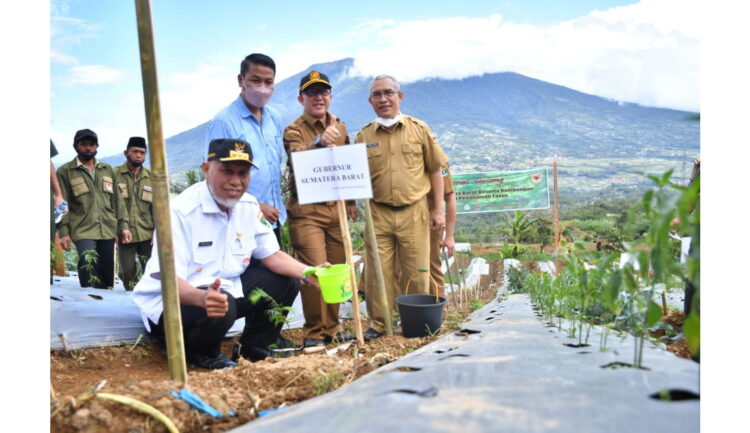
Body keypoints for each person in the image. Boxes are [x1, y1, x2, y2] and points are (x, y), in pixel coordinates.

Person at [132, 139, 325, 370]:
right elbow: (168, 280)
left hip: (224, 293)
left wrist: (309, 272)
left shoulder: (249, 206)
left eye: (243, 173)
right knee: (223, 305)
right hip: (174, 303)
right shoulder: (180, 212)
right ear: (206, 169)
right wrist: (202, 298)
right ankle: (203, 353)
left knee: (285, 282)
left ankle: (255, 347)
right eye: (227, 171)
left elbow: (272, 255)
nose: (235, 181)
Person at [355, 75, 448, 340]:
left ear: (400, 96)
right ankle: (380, 324)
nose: (383, 99)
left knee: (417, 271)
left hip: (414, 211)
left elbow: (435, 170)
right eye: (377, 95)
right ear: (370, 101)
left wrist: (437, 210)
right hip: (378, 213)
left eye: (388, 93)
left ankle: (417, 324)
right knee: (377, 274)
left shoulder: (419, 130)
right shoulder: (363, 136)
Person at [283, 71, 357, 348]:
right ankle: (314, 332)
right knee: (316, 272)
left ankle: (333, 328)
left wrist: (350, 202)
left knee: (338, 271)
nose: (318, 97)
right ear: (302, 98)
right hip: (307, 213)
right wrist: (319, 142)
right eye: (312, 93)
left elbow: (346, 162)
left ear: (330, 96)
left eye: (323, 92)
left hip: (335, 211)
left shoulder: (341, 126)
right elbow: (296, 156)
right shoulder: (293, 129)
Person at [204, 53, 286, 244]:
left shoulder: (274, 117)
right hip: (240, 223)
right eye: (255, 81)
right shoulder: (224, 122)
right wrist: (255, 206)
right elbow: (215, 178)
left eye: (268, 82)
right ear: (241, 80)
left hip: (272, 221)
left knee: (276, 270)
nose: (262, 88)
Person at [57, 129, 132, 289]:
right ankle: (89, 301)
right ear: (76, 147)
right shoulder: (66, 171)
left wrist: (123, 227)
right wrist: (64, 233)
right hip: (82, 228)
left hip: (107, 228)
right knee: (88, 263)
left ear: (97, 146)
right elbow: (62, 203)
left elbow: (117, 201)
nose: (88, 148)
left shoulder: (106, 169)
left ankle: (103, 309)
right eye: (84, 144)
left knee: (106, 271)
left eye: (91, 144)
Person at [114, 137, 154, 290]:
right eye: (135, 151)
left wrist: (157, 231)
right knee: (127, 273)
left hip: (147, 233)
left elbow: (157, 207)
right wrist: (114, 231)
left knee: (151, 271)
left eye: (142, 152)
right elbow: (109, 205)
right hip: (124, 233)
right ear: (126, 153)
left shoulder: (151, 177)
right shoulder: (114, 174)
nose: (138, 155)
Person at [429, 163, 457, 297]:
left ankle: (436, 309)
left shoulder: (437, 161)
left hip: (430, 225)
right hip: (402, 221)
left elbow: (450, 196)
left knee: (431, 266)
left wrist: (449, 236)